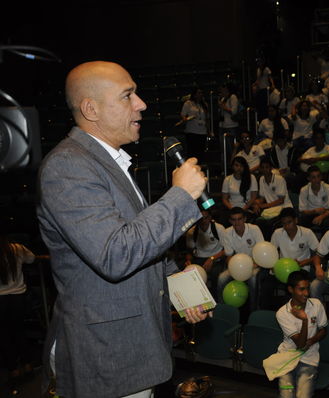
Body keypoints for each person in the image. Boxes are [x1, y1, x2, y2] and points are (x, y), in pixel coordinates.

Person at [37, 61, 209, 398]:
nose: (141, 104)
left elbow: (136, 239)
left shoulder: (109, 162)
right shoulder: (67, 166)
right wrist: (181, 196)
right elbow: (115, 254)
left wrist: (176, 283)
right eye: (128, 96)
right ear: (91, 109)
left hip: (129, 351)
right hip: (106, 357)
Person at [276, 270, 328, 398]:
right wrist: (304, 320)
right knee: (286, 395)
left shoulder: (316, 305)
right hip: (286, 360)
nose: (306, 293)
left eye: (308, 288)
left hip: (309, 360)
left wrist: (312, 340)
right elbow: (300, 344)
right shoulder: (282, 313)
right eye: (301, 289)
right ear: (291, 289)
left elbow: (323, 330)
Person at [0, 233, 38, 393]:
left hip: (0, 299)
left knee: (4, 336)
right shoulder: (16, 249)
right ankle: (28, 365)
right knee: (19, 331)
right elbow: (32, 259)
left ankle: (13, 370)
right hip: (18, 296)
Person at [216, 207, 265, 309]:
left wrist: (254, 264)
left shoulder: (254, 229)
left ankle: (254, 310)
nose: (237, 222)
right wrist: (234, 268)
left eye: (239, 219)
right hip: (237, 265)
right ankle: (221, 309)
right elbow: (229, 256)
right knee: (221, 278)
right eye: (233, 219)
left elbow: (262, 251)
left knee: (253, 279)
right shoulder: (226, 233)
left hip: (254, 263)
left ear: (244, 219)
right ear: (230, 221)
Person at [185, 208, 226, 292]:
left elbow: (227, 249)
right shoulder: (191, 232)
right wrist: (188, 260)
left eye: (206, 218)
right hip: (199, 258)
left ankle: (216, 298)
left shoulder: (219, 228)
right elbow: (189, 251)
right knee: (190, 275)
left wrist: (212, 259)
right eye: (200, 219)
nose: (203, 221)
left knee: (216, 274)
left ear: (210, 217)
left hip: (216, 257)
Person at [253, 157, 293, 239]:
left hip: (284, 208)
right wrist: (257, 204)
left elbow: (281, 200)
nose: (265, 170)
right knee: (258, 222)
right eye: (262, 168)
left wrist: (264, 206)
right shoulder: (261, 179)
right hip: (270, 211)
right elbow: (262, 198)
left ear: (271, 168)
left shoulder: (279, 179)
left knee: (271, 224)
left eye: (267, 167)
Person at [271, 208, 319, 272]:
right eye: (284, 223)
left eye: (289, 222)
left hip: (301, 268)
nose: (287, 226)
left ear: (296, 220)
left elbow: (319, 254)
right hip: (283, 268)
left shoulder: (307, 233)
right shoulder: (277, 233)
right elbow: (271, 252)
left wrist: (304, 262)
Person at [180, 88, 209, 159]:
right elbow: (183, 115)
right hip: (191, 131)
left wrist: (208, 130)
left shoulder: (204, 104)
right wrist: (186, 119)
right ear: (194, 94)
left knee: (200, 152)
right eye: (198, 93)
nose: (200, 95)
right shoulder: (188, 103)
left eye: (201, 93)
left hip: (202, 132)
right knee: (192, 153)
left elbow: (207, 118)